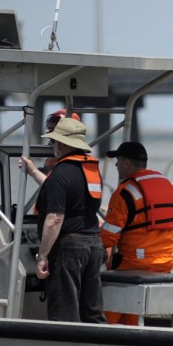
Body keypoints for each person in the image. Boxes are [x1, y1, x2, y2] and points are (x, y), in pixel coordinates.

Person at [29, 116, 106, 323]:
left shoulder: (60, 174)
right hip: (94, 245)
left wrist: (43, 255)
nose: (52, 145)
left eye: (53, 141)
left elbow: (54, 219)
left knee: (64, 310)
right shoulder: (93, 171)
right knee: (92, 310)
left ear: (62, 144)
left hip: (69, 248)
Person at [100, 141, 173, 273]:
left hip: (132, 265)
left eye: (118, 160)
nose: (116, 164)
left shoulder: (124, 193)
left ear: (127, 163)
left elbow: (108, 238)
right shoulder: (168, 188)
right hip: (165, 264)